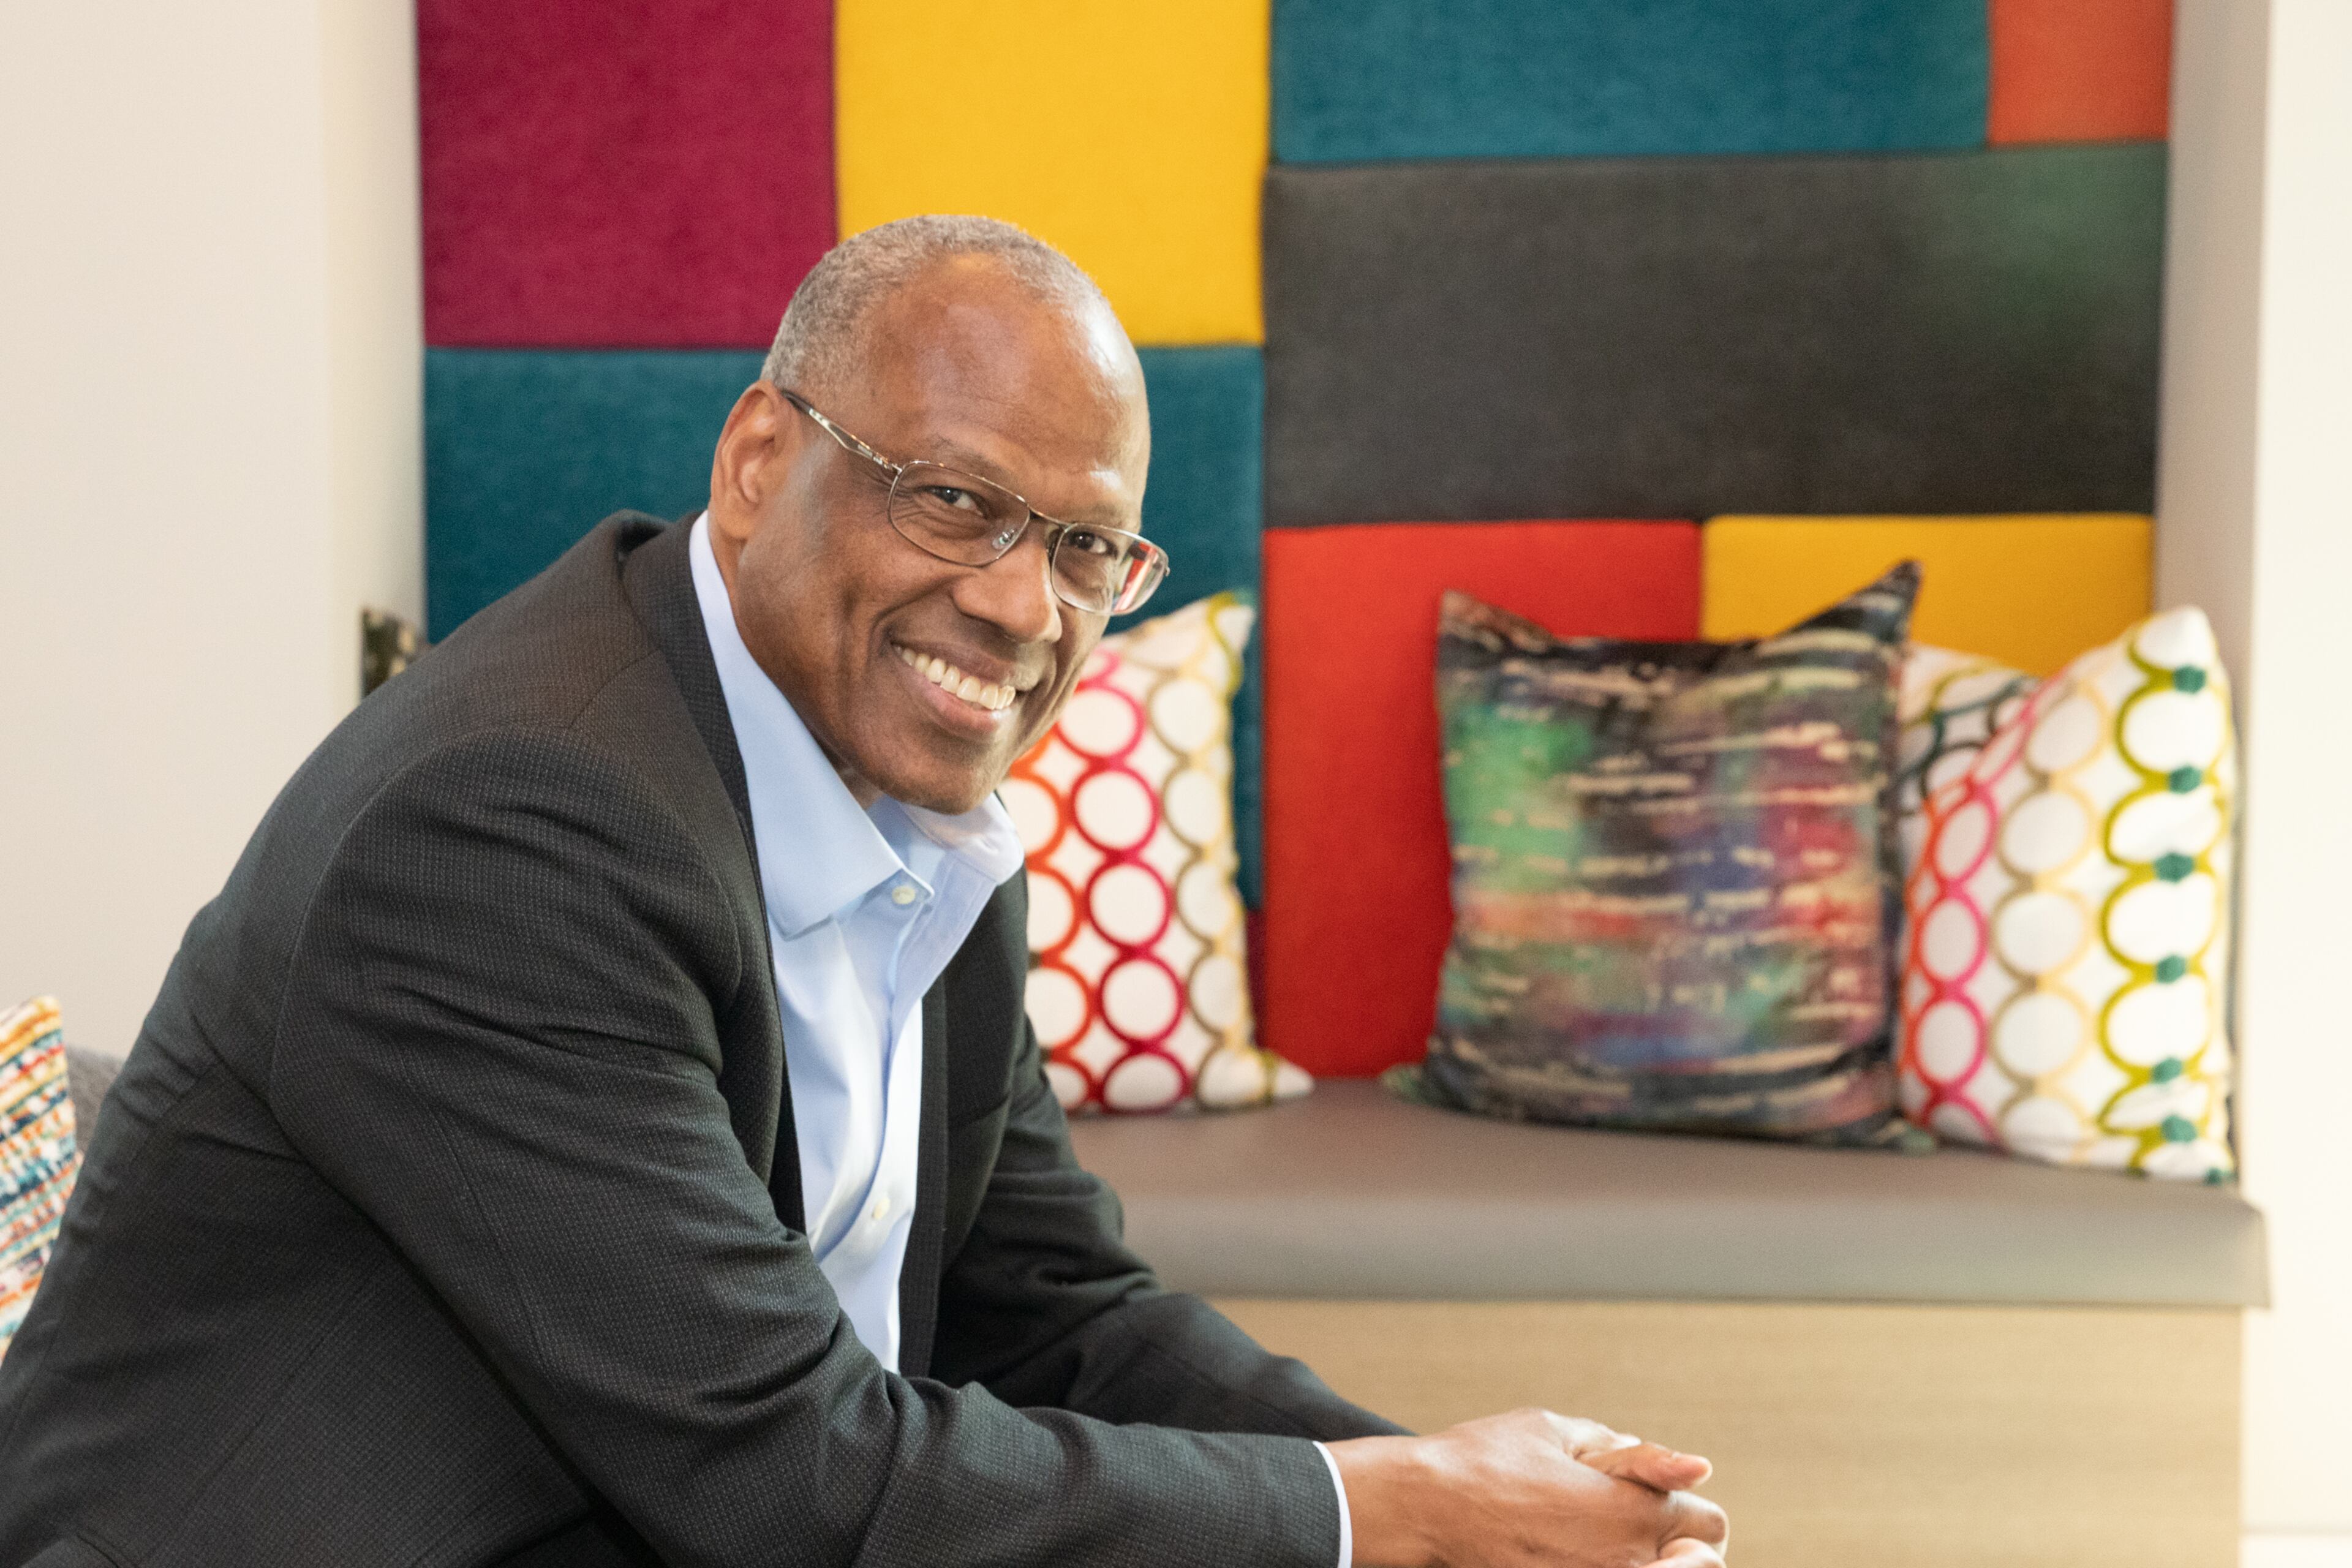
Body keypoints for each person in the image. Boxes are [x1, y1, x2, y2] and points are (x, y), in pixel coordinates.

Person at [0, 216, 1730, 1568]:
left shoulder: (910, 806)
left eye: (1082, 549)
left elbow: (1047, 1313)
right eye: (957, 500)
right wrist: (1397, 1509)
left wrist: (1437, 1484)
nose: (1021, 607)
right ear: (760, 462)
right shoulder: (508, 827)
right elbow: (786, 1480)